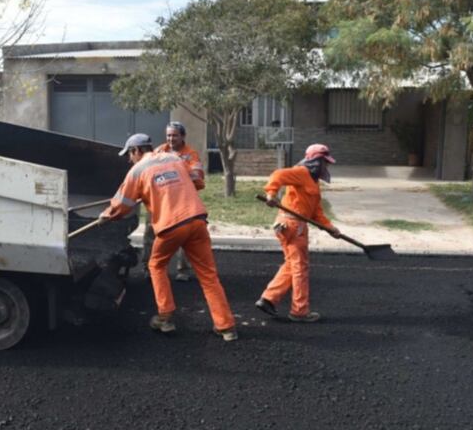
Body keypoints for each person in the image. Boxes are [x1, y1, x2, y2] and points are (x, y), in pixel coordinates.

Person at [100, 133, 238, 341]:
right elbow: (197, 180)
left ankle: (165, 317)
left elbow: (122, 204)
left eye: (130, 154)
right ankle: (226, 327)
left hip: (171, 225)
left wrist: (106, 215)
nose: (130, 159)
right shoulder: (175, 159)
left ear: (137, 151)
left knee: (156, 265)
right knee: (208, 275)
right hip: (197, 219)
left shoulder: (137, 170)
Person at [255, 143, 341, 323]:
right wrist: (271, 194)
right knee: (300, 268)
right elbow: (278, 175)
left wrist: (330, 228)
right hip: (292, 225)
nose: (326, 166)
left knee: (292, 264)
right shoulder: (301, 172)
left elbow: (316, 212)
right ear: (316, 161)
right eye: (325, 162)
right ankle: (300, 311)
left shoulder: (313, 182)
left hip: (293, 225)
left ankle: (268, 299)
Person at [143, 121, 205, 282]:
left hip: (181, 202)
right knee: (151, 232)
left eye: (174, 135)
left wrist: (176, 170)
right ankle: (147, 267)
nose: (171, 139)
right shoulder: (159, 150)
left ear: (183, 136)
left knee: (183, 235)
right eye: (168, 135)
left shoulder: (191, 154)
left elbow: (197, 177)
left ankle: (183, 270)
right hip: (159, 201)